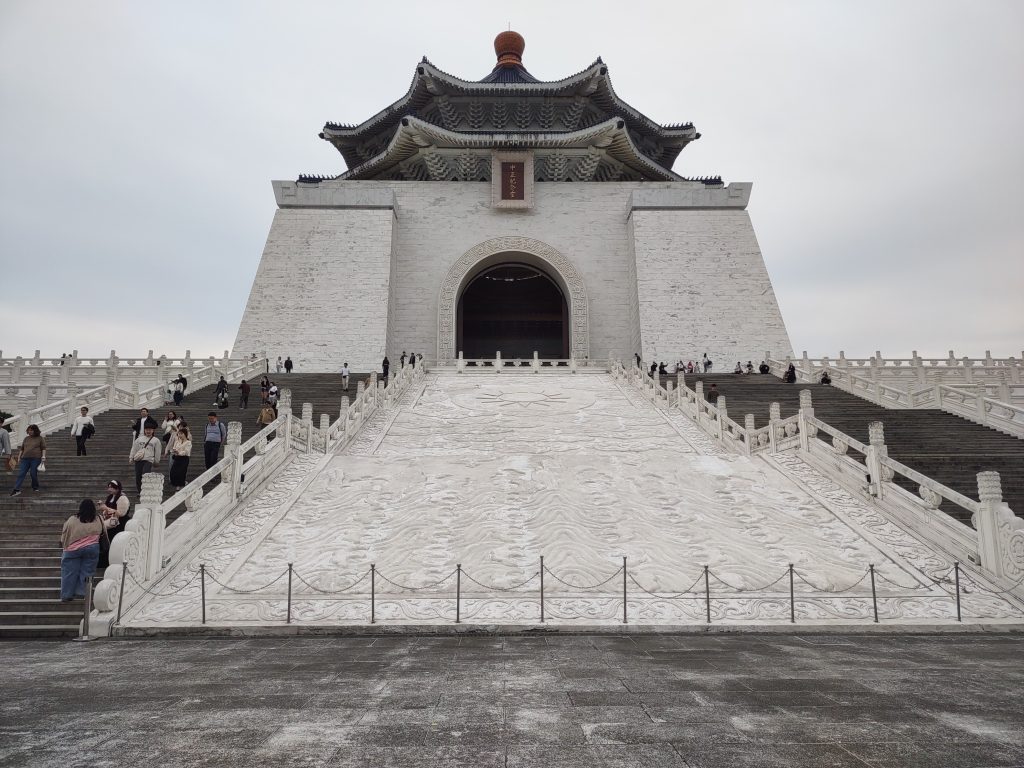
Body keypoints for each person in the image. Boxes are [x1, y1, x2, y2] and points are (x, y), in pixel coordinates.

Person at [60, 500, 104, 602]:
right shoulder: (98, 519)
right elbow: (102, 530)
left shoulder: (72, 519)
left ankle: (66, 595)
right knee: (87, 572)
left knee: (69, 572)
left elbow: (65, 533)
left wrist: (63, 543)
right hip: (92, 548)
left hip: (72, 549)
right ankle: (82, 593)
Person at [10, 424, 46, 496]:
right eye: (29, 430)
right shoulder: (26, 438)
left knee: (33, 474)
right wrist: (19, 457)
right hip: (25, 459)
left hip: (35, 459)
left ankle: (35, 486)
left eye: (31, 430)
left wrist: (43, 456)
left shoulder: (40, 438)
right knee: (21, 474)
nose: (30, 431)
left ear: (35, 431)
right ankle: (16, 489)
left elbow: (43, 448)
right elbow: (22, 449)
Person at [129, 423, 161, 494]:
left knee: (145, 474)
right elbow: (134, 448)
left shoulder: (156, 440)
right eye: (147, 430)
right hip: (138, 460)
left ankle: (146, 491)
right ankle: (140, 492)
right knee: (138, 476)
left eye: (150, 430)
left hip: (148, 460)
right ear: (144, 430)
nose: (148, 431)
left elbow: (158, 452)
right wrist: (131, 457)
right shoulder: (139, 439)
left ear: (153, 430)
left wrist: (156, 461)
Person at [168, 425, 192, 490]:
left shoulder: (188, 442)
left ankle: (180, 485)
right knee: (173, 472)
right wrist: (174, 451)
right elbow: (174, 448)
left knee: (181, 472)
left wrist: (179, 452)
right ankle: (181, 483)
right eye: (179, 434)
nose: (180, 435)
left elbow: (186, 452)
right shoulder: (177, 441)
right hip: (177, 458)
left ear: (185, 434)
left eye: (181, 434)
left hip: (184, 459)